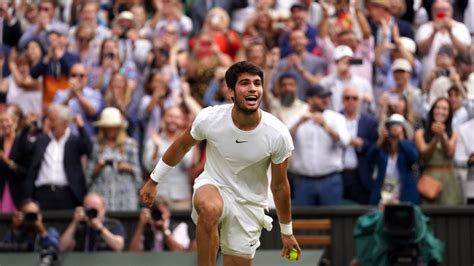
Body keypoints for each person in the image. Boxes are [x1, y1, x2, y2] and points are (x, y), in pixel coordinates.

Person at [140, 61, 300, 266]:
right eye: (245, 83)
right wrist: (154, 180)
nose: (252, 88)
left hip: (249, 205)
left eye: (257, 83)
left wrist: (287, 233)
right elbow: (181, 146)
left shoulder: (277, 133)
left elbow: (279, 186)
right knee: (208, 208)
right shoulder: (210, 118)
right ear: (231, 90)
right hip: (214, 185)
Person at [287, 85, 350, 206]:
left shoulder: (336, 118)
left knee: (333, 221)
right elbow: (283, 143)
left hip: (330, 180)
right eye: (321, 97)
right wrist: (299, 123)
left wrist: (326, 126)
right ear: (309, 99)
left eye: (327, 96)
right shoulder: (296, 118)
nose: (325, 100)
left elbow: (344, 142)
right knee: (304, 222)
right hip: (303, 181)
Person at [23, 104, 92, 210]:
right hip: (42, 194)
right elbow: (23, 150)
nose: (50, 124)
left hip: (67, 194)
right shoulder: (41, 140)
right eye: (49, 120)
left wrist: (81, 128)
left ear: (65, 123)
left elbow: (89, 150)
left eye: (53, 120)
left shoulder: (74, 141)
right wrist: (26, 127)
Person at [87, 107, 141, 211]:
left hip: (125, 195)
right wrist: (99, 167)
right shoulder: (95, 145)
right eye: (107, 127)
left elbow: (138, 173)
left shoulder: (130, 144)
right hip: (101, 193)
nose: (110, 130)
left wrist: (128, 168)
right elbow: (88, 175)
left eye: (113, 127)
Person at [413, 97, 463, 205]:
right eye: (437, 108)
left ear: (449, 113)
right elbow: (425, 155)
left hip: (449, 179)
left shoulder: (453, 134)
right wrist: (436, 138)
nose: (440, 111)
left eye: (445, 109)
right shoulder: (420, 133)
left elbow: (449, 152)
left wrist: (443, 135)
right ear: (432, 111)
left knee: (450, 212)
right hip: (430, 177)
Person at [368, 114, 421, 205]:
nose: (395, 128)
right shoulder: (382, 149)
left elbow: (413, 158)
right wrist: (380, 140)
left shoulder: (408, 145)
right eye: (392, 125)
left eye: (398, 125)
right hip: (383, 195)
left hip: (404, 195)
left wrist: (401, 139)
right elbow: (370, 158)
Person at [341, 87, 378, 204]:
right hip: (338, 174)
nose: (351, 101)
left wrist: (362, 143)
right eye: (347, 98)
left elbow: (375, 147)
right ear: (342, 100)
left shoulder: (370, 122)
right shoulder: (334, 118)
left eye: (354, 98)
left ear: (360, 101)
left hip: (360, 175)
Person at [59, 192, 126, 252]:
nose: (92, 214)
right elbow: (62, 247)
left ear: (103, 210)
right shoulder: (79, 226)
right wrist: (75, 222)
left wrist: (100, 229)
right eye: (89, 210)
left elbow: (118, 247)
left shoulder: (113, 224)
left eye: (95, 211)